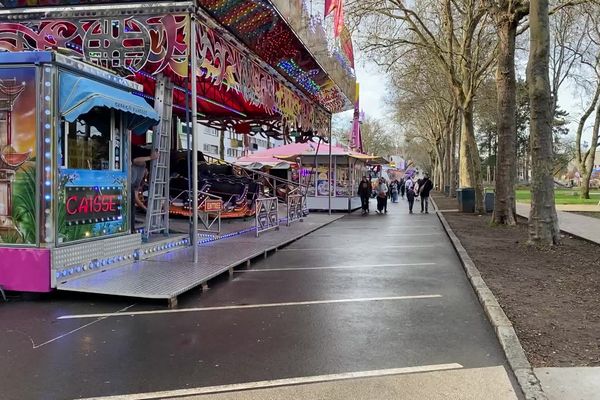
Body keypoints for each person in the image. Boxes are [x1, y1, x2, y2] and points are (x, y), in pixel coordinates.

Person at [131, 144, 158, 233]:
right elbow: (136, 160)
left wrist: (145, 208)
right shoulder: (142, 166)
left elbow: (135, 197)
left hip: (130, 187)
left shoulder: (139, 181)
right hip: (127, 183)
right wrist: (151, 157)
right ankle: (131, 229)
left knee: (132, 208)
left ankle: (132, 229)